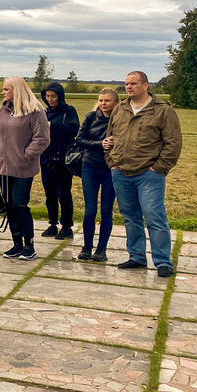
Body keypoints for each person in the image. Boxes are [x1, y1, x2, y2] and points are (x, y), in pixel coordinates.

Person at [105, 71, 182, 277]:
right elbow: (109, 137)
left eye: (134, 84)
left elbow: (173, 142)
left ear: (146, 85)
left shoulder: (162, 110)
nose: (129, 87)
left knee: (154, 216)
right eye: (126, 84)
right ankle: (136, 256)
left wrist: (159, 167)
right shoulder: (120, 109)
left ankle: (162, 261)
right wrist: (111, 161)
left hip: (149, 174)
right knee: (130, 217)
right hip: (121, 171)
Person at [0, 76, 50, 261]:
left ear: (17, 90)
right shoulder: (3, 109)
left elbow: (42, 138)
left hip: (23, 168)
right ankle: (16, 243)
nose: (3, 92)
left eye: (6, 89)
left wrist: (27, 155)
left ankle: (29, 244)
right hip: (3, 167)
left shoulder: (35, 110)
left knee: (19, 204)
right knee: (8, 206)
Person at [74, 88, 119, 262]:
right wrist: (100, 144)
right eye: (101, 100)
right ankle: (86, 247)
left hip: (110, 168)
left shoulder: (121, 120)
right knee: (89, 210)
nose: (103, 103)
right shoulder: (91, 117)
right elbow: (80, 139)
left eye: (107, 101)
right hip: (90, 166)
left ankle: (102, 250)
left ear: (116, 102)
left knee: (107, 210)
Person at [39, 81, 80, 241]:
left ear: (60, 96)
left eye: (53, 96)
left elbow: (73, 129)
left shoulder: (69, 111)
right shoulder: (44, 112)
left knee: (64, 193)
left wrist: (53, 126)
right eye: (47, 96)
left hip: (63, 160)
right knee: (50, 194)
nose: (50, 99)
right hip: (46, 159)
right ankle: (52, 223)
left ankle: (67, 226)